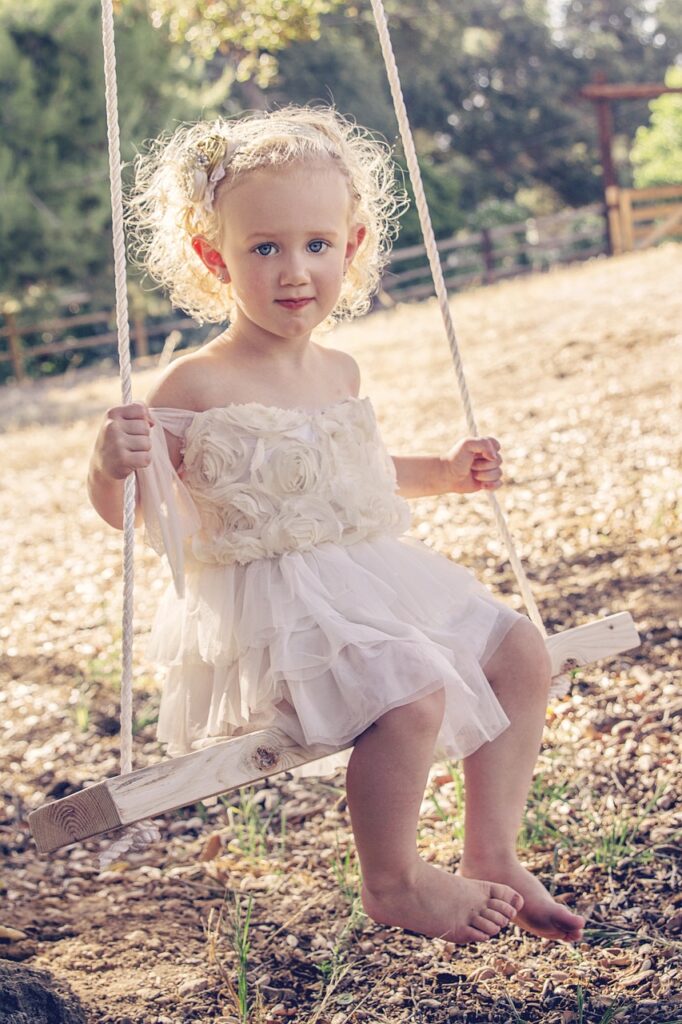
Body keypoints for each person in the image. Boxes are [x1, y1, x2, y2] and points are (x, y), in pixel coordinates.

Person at [88, 105, 585, 945]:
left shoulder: (340, 368)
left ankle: (492, 849)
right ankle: (392, 880)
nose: (294, 272)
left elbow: (353, 479)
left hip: (366, 576)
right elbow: (138, 517)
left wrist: (447, 475)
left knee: (521, 652)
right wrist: (109, 461)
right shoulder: (195, 383)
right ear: (217, 259)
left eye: (317, 245)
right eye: (264, 248)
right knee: (412, 689)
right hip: (277, 613)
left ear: (350, 248)